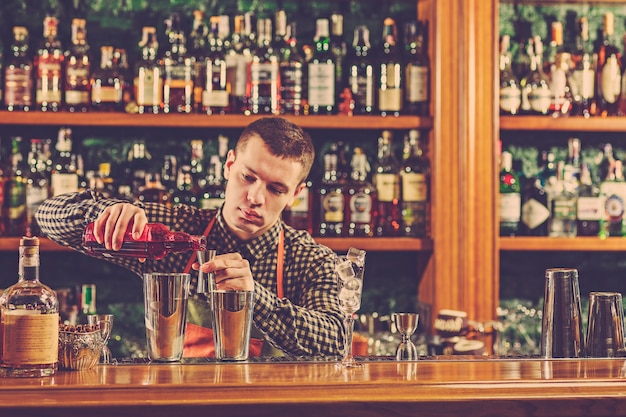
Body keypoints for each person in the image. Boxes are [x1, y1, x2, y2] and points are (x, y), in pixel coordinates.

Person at [36, 117, 345, 357]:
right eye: (247, 177)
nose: (254, 197)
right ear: (229, 165)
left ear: (296, 194)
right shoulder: (175, 231)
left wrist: (257, 299)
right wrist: (107, 213)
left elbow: (335, 340)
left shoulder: (310, 259)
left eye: (276, 189)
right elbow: (47, 216)